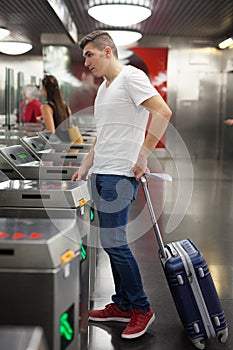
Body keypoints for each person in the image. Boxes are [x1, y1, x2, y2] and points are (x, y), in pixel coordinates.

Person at [71, 30, 172, 339]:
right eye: (85, 55)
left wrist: (143, 154)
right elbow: (104, 134)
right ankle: (122, 304)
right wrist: (85, 166)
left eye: (90, 54)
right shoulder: (104, 89)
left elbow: (163, 111)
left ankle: (142, 308)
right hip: (102, 173)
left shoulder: (132, 77)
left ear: (108, 52)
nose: (86, 61)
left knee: (116, 243)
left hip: (121, 175)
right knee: (110, 243)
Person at [40, 74, 72, 141]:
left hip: (56, 146)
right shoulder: (66, 106)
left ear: (45, 89)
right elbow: (69, 127)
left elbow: (51, 132)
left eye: (41, 87)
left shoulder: (45, 107)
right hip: (67, 143)